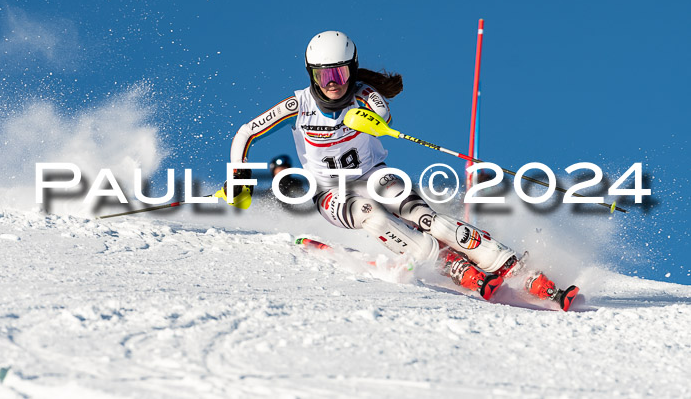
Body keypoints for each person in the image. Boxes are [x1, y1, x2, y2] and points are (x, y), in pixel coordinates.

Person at [228, 31, 577, 309]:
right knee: (372, 216)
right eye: (323, 74)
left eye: (340, 72)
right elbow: (246, 132)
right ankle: (449, 264)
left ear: (352, 69)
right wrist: (239, 180)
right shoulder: (297, 105)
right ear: (311, 74)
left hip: (374, 176)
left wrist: (369, 119)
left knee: (430, 219)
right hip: (329, 192)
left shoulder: (365, 95)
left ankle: (511, 266)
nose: (332, 82)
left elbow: (384, 115)